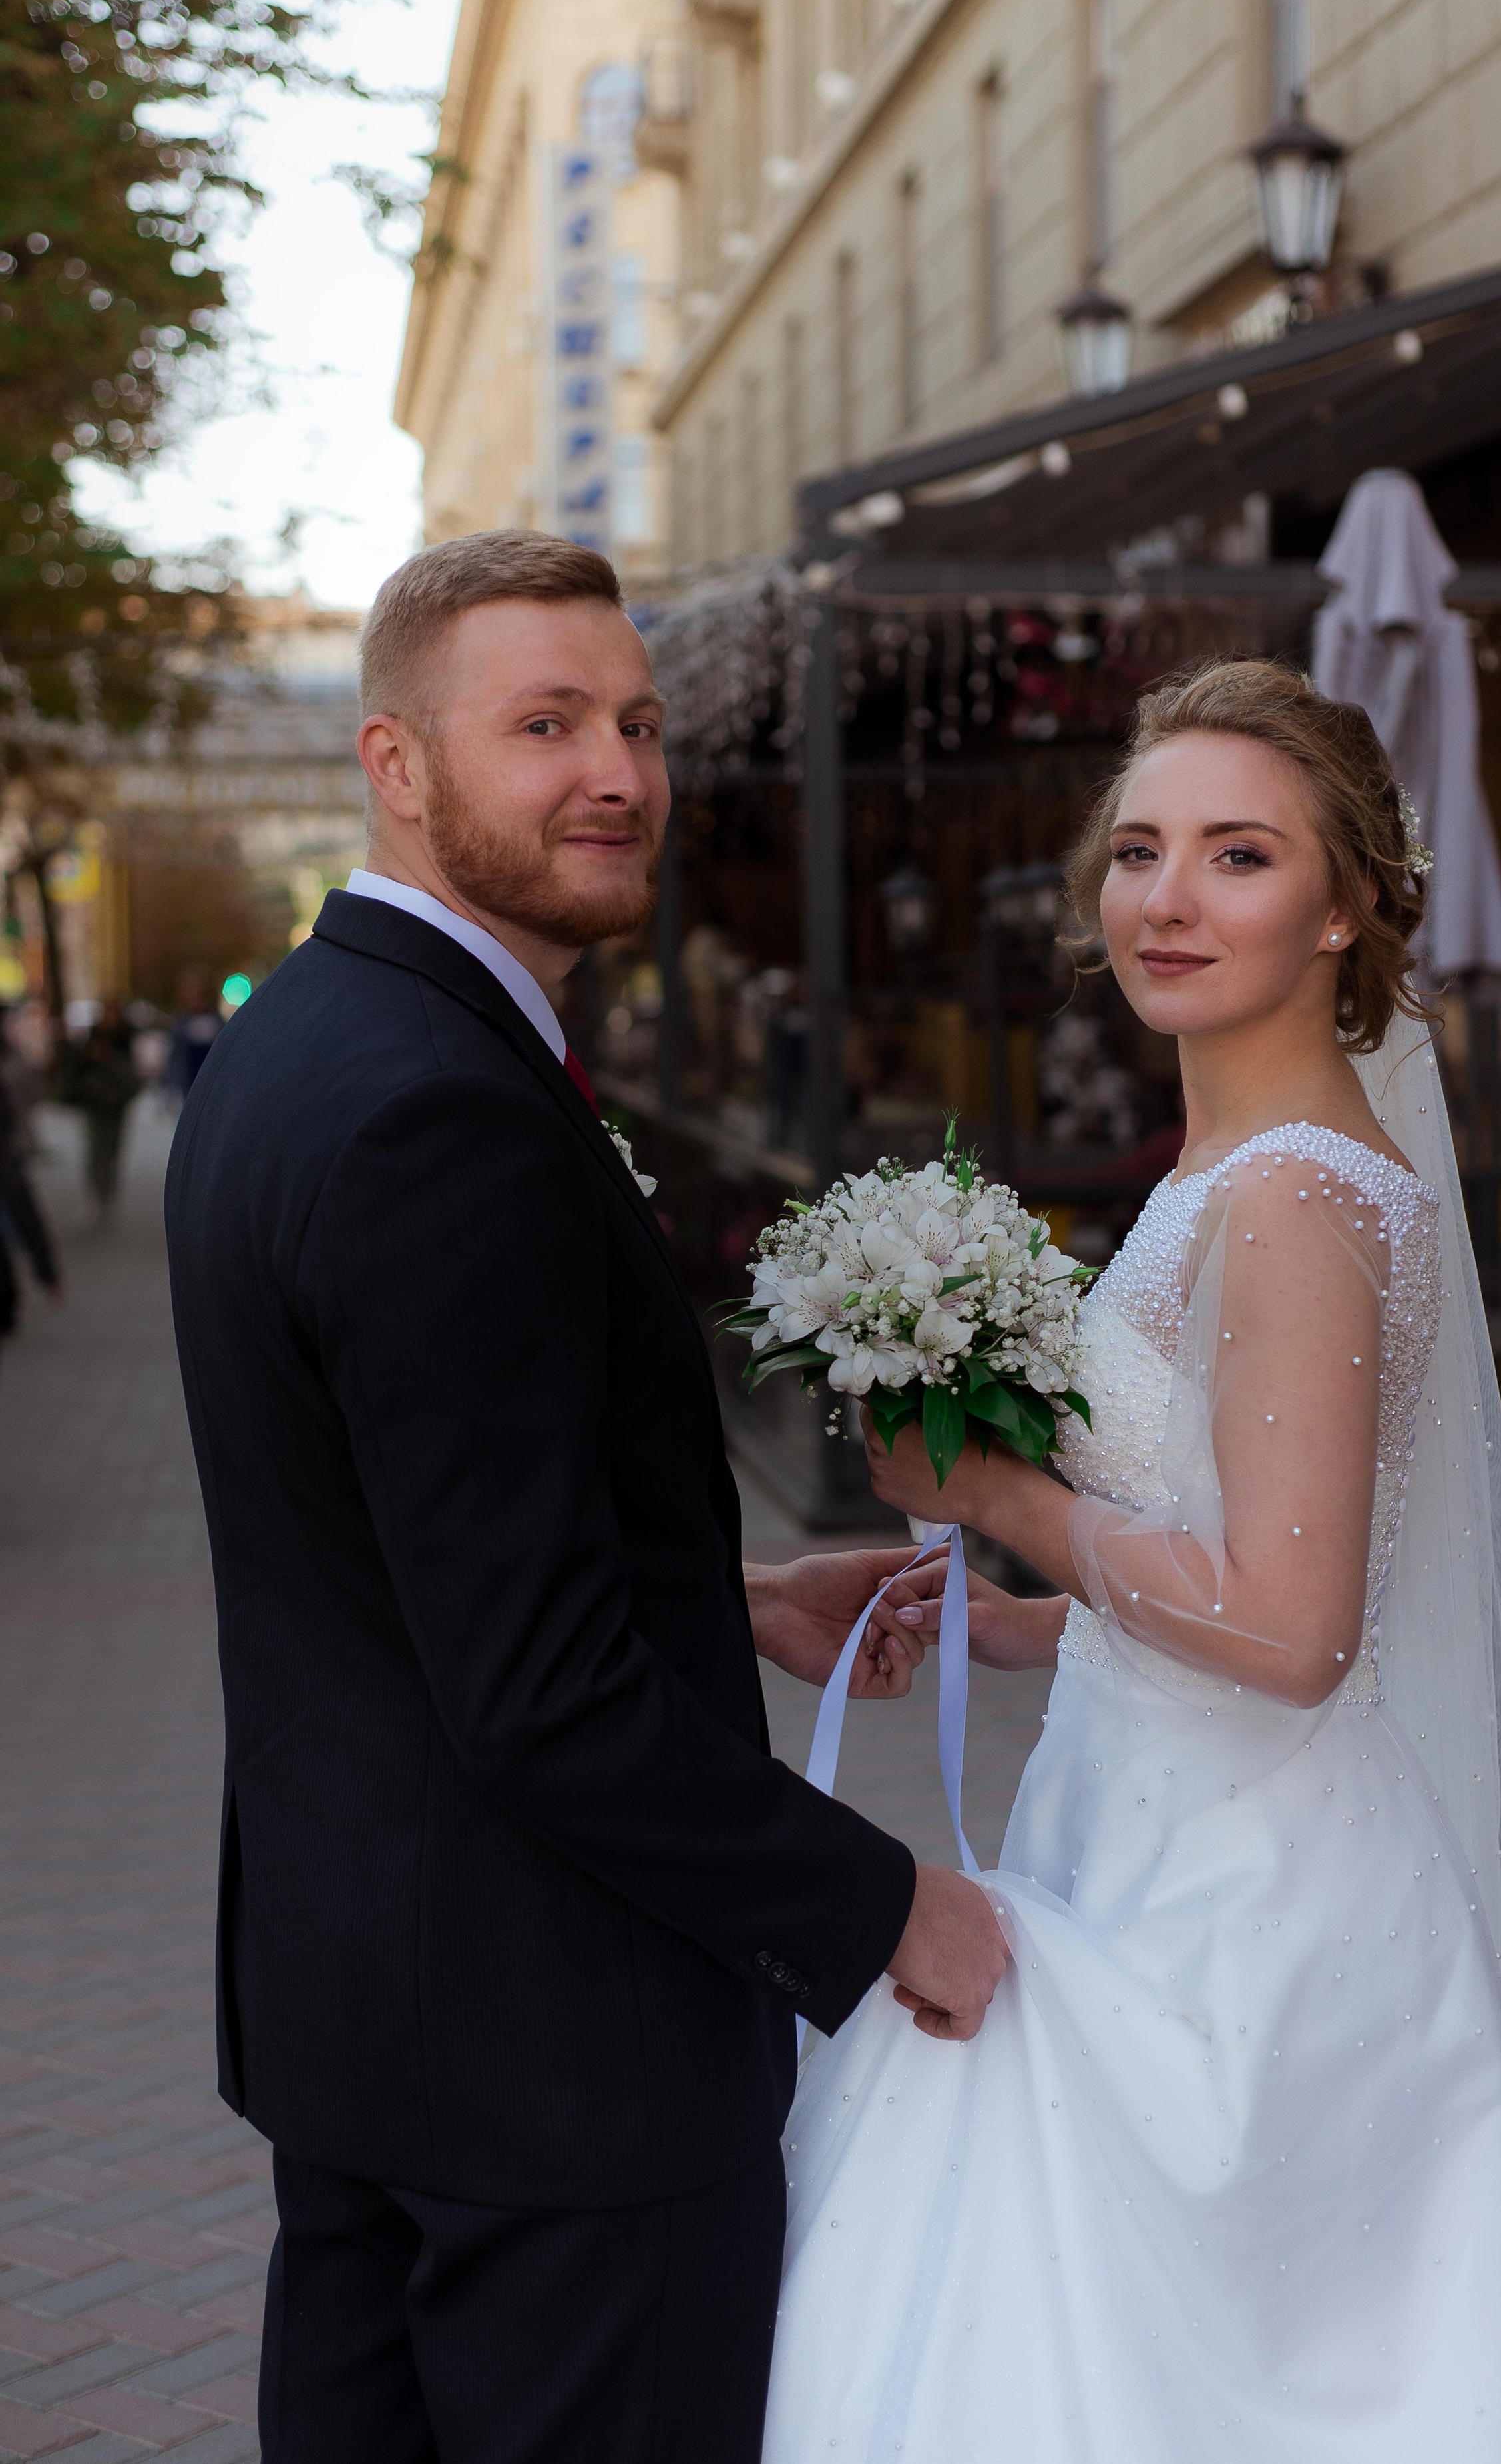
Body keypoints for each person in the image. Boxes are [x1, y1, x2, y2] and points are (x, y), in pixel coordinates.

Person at [763, 658, 1501, 2462]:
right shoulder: (1238, 1167)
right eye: (1141, 849)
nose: (1167, 897)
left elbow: (1292, 1623)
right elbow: (1220, 1547)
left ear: (1344, 907)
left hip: (1251, 1913)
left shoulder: (1298, 1200)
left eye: (1240, 855)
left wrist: (1010, 1502)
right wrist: (1025, 1614)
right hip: (1148, 1827)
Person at [162, 530, 1008, 2464]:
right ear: (396, 762)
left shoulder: (307, 1043)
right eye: (543, 726)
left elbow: (404, 1545)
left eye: (631, 719)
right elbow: (538, 1688)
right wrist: (883, 1909)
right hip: (557, 2069)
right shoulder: (437, 1109)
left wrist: (733, 1592)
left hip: (369, 2017)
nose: (615, 770)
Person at [0, 1041, 62, 1366]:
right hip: (10, 1157)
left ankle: (12, 1303)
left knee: (17, 1221)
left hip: (7, 1159)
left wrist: (48, 1273)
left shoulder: (11, 1058)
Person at [59, 1000, 142, 1217]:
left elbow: (133, 1079)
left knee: (113, 1149)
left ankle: (108, 1193)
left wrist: (109, 1060)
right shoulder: (87, 1043)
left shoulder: (123, 1042)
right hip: (94, 1106)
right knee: (96, 1149)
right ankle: (98, 1194)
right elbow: (72, 1076)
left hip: (117, 1106)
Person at [164, 971, 222, 1104]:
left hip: (213, 1086)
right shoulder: (180, 1025)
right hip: (187, 1087)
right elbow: (175, 1059)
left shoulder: (219, 1024)